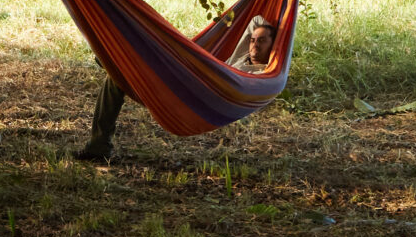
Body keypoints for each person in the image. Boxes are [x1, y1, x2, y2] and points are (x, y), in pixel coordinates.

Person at [73, 10, 278, 161]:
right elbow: (256, 20)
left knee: (135, 64)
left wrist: (279, 47)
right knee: (115, 81)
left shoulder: (262, 75)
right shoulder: (244, 53)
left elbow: (252, 83)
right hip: (187, 78)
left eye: (262, 41)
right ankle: (99, 143)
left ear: (272, 46)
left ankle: (117, 61)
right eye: (253, 40)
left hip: (200, 91)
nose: (254, 45)